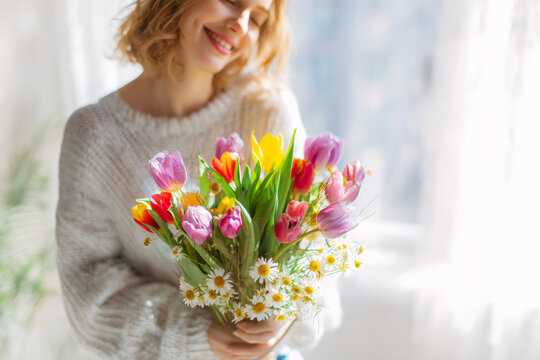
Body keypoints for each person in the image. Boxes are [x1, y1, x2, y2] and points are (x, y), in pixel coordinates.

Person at [56, 0, 340, 359]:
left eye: (257, 18)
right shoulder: (94, 137)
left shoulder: (268, 108)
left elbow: (316, 248)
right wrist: (198, 333)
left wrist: (287, 312)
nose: (240, 24)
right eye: (233, 2)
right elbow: (88, 293)